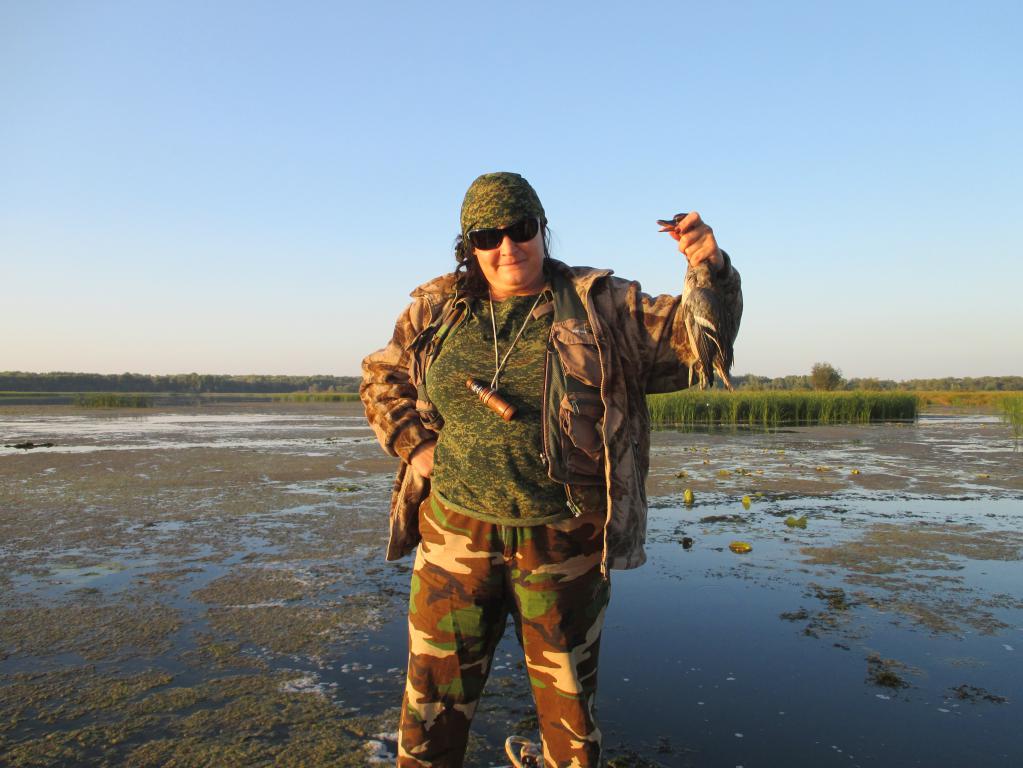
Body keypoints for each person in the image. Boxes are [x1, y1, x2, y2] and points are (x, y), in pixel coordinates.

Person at [360, 172, 742, 767]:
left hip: (564, 542)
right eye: (487, 236)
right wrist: (415, 445)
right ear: (470, 245)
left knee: (569, 717)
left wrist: (708, 269)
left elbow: (694, 346)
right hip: (454, 537)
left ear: (542, 229)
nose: (507, 247)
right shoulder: (437, 308)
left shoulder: (601, 304)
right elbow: (382, 376)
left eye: (521, 228)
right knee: (430, 708)